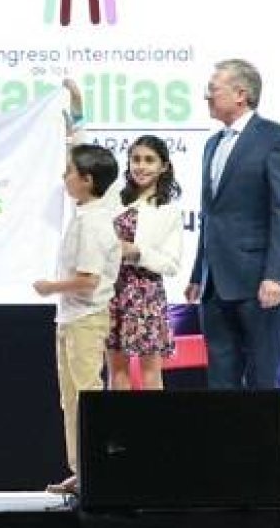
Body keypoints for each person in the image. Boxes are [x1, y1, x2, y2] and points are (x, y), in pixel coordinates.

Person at [184, 59, 280, 389]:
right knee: (220, 380)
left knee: (264, 377)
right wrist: (197, 273)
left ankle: (267, 443)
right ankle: (225, 443)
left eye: (212, 90)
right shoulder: (212, 144)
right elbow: (211, 215)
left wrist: (276, 275)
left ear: (241, 94)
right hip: (214, 284)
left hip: (259, 281)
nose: (206, 97)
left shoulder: (277, 138)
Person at [33, 143, 121, 495]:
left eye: (70, 172)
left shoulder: (95, 223)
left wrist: (49, 287)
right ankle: (82, 470)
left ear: (87, 180)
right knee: (70, 399)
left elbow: (89, 280)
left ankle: (97, 470)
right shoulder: (86, 214)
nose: (64, 177)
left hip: (86, 317)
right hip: (70, 318)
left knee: (87, 396)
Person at [106, 135, 182, 390]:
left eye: (149, 160)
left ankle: (154, 429)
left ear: (164, 166)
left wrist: (137, 252)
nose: (141, 166)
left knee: (151, 374)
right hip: (111, 291)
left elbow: (172, 264)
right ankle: (117, 429)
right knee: (116, 370)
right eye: (136, 159)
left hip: (145, 294)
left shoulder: (168, 211)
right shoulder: (114, 200)